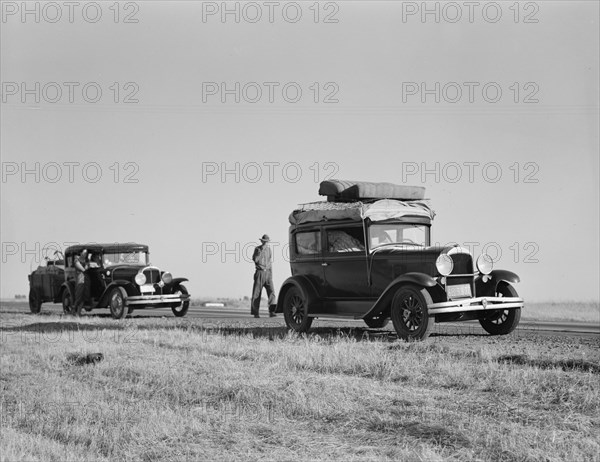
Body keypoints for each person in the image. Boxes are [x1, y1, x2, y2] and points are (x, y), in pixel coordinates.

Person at [251, 234, 276, 318]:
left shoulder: (269, 250)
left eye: (267, 242)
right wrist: (261, 251)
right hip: (259, 272)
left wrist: (271, 275)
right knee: (256, 293)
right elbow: (256, 260)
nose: (266, 243)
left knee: (272, 292)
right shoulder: (257, 249)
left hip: (268, 273)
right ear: (261, 241)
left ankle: (272, 312)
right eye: (264, 241)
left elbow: (270, 262)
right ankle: (255, 312)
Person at [73, 248, 90, 316]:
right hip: (80, 278)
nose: (85, 254)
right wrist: (86, 266)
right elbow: (83, 269)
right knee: (79, 295)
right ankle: (74, 310)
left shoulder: (86, 260)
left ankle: (78, 312)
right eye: (84, 253)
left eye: (86, 253)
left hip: (86, 279)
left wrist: (87, 264)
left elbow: (86, 268)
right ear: (81, 253)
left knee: (84, 296)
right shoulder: (76, 260)